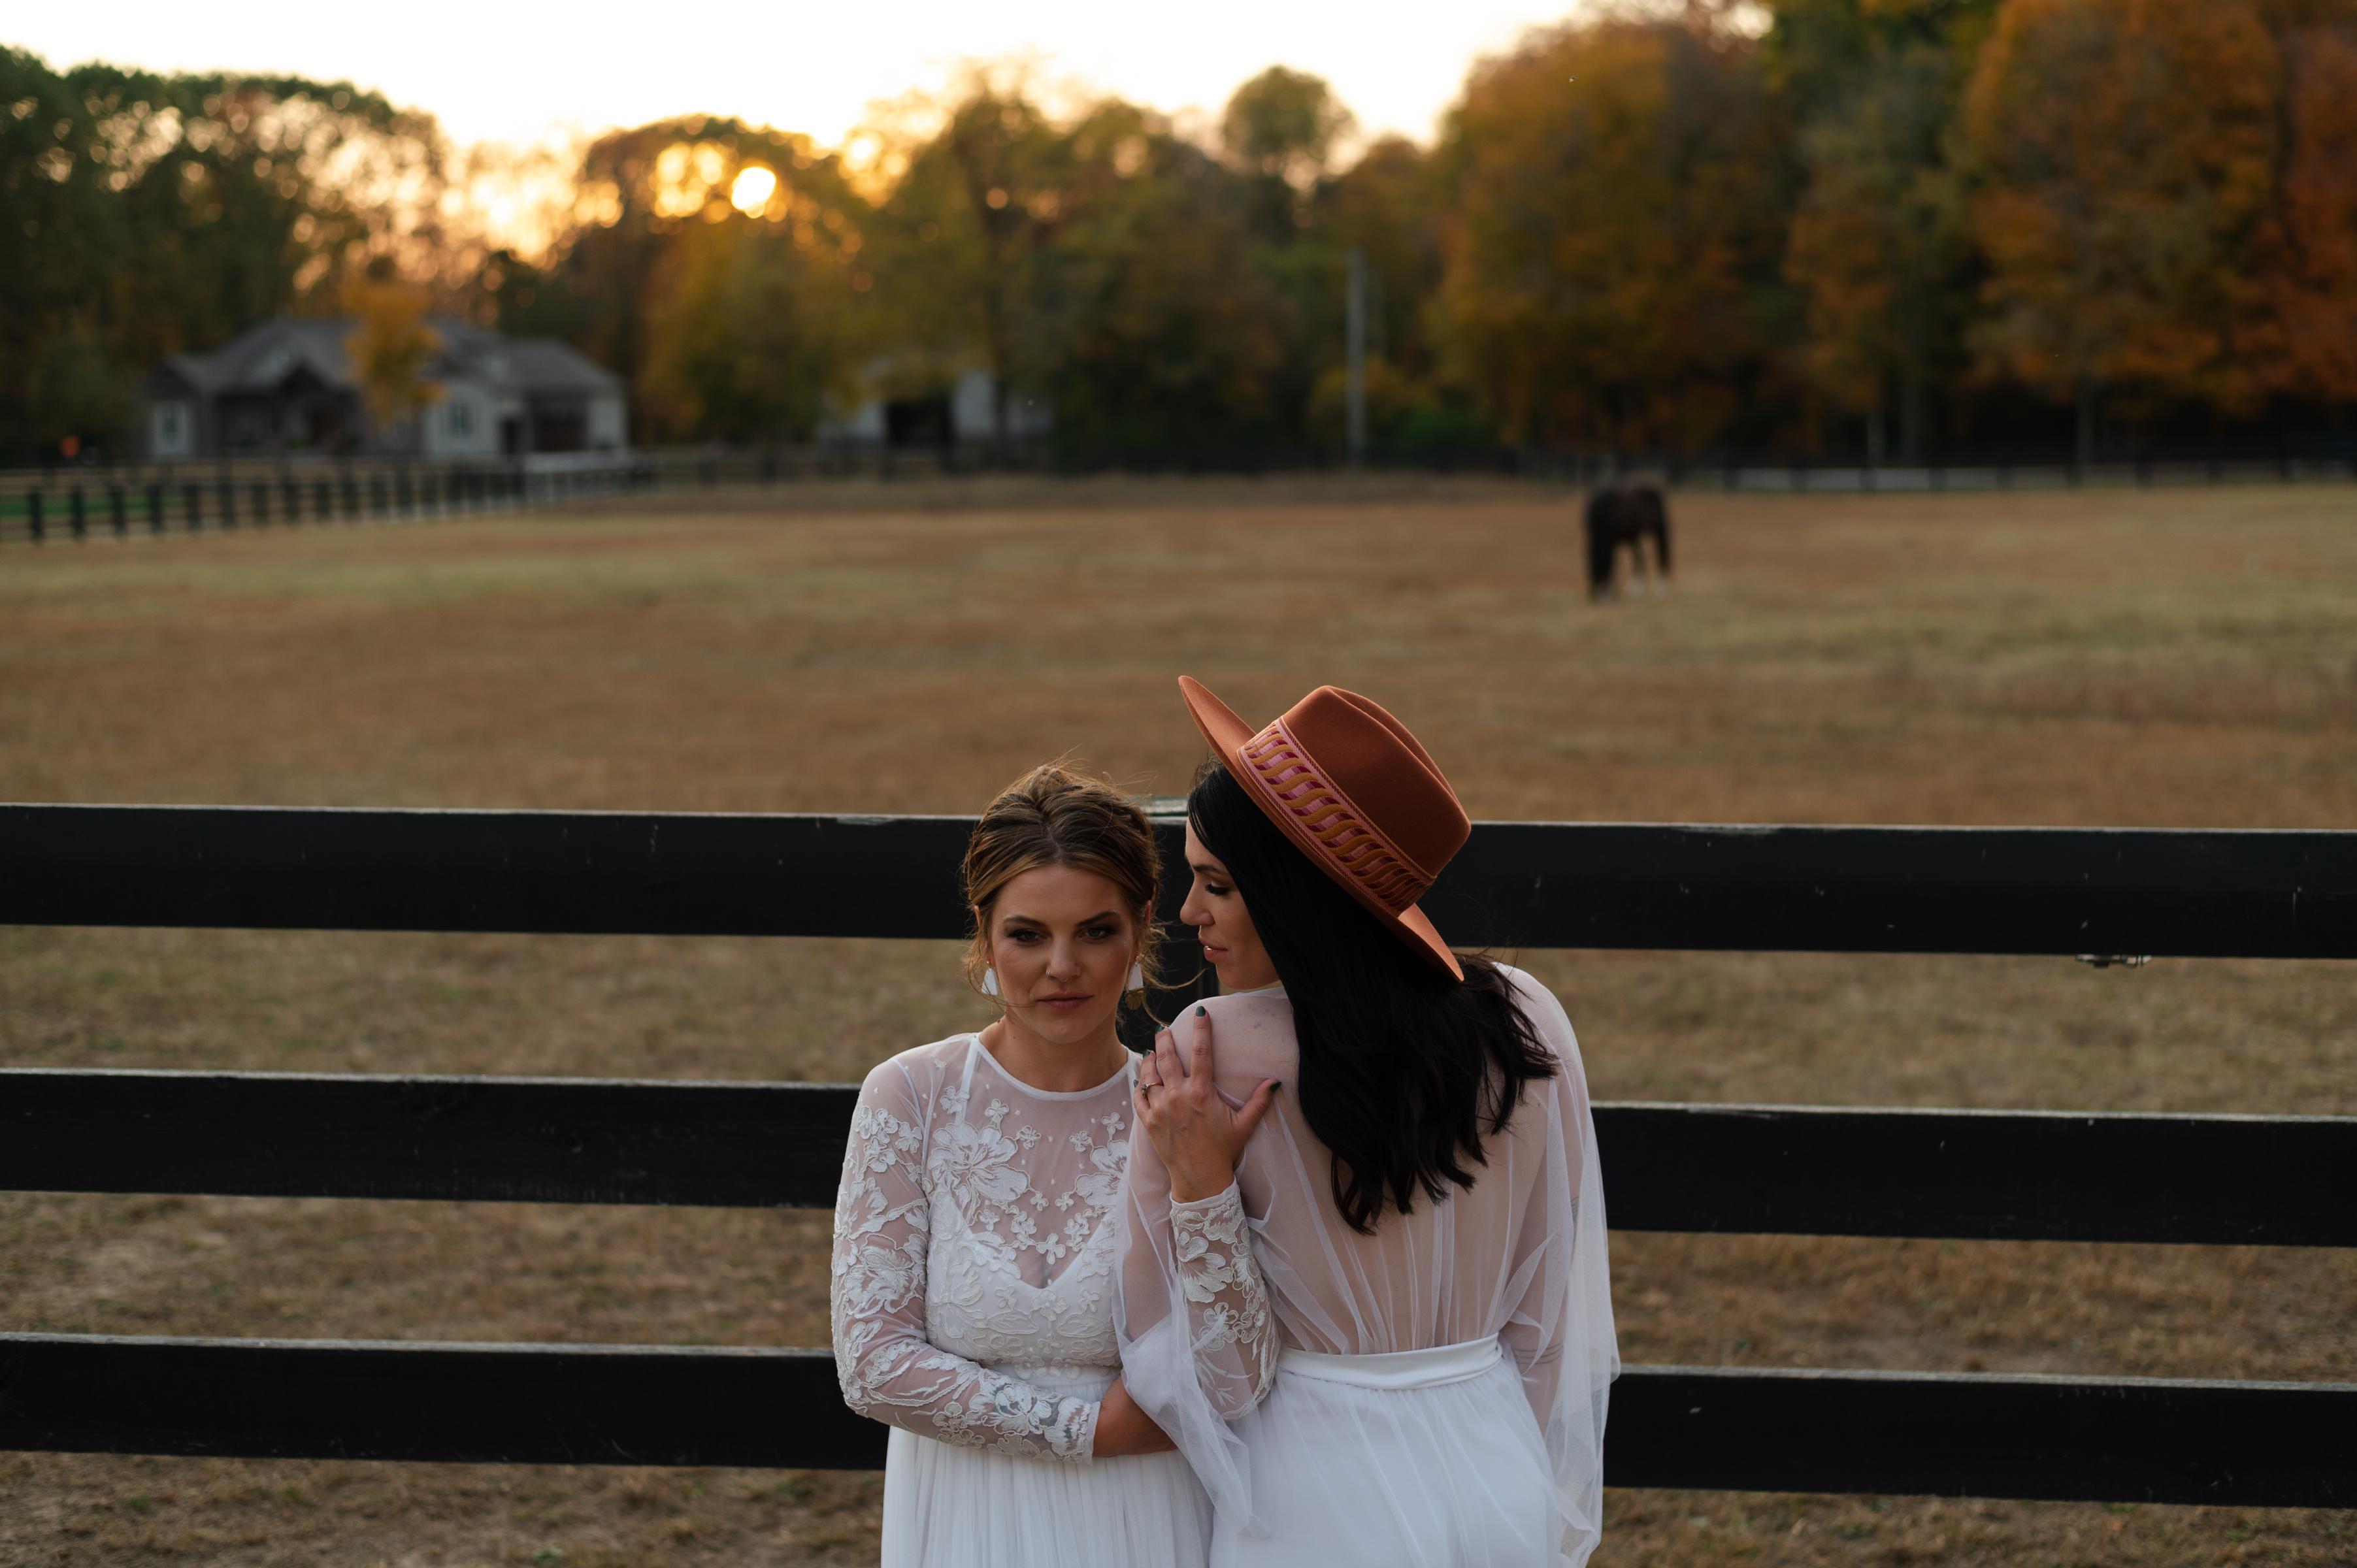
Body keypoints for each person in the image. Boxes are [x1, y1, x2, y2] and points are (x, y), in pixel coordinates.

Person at [1117, 679, 1618, 1567]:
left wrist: (1200, 1189)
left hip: (1315, 1489)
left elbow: (1210, 1378)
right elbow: (1545, 1322)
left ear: (1293, 895)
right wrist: (1507, 1464)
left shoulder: (1204, 1052)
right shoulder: (1525, 1019)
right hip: (1498, 1465)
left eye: (1216, 884)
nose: (1189, 913)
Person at [831, 763, 1277, 1568]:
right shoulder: (911, 1096)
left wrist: (1203, 1182)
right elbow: (872, 1365)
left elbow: (1238, 1366)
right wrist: (1085, 1431)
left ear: (1141, 929)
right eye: (1028, 935)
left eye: (1096, 932)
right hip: (964, 1515)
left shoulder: (1184, 1104)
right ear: (984, 933)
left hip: (1148, 1517)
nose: (1061, 966)